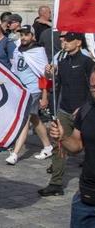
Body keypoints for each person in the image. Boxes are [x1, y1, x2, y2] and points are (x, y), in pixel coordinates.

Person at [39, 31, 94, 198]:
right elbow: (57, 84)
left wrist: (84, 107)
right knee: (59, 144)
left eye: (69, 40)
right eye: (63, 40)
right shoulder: (62, 61)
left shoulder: (86, 62)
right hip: (64, 109)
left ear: (78, 42)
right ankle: (56, 183)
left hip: (82, 111)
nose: (65, 43)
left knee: (85, 145)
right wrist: (50, 74)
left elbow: (91, 87)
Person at [49, 67, 95, 227]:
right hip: (86, 197)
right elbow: (76, 145)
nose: (93, 92)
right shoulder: (87, 109)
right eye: (92, 87)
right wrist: (63, 137)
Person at [6, 25, 52, 165]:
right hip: (21, 89)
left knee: (24, 119)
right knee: (34, 118)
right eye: (22, 35)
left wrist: (45, 95)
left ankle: (15, 153)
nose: (24, 37)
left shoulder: (38, 51)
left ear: (32, 36)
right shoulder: (18, 50)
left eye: (26, 34)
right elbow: (15, 69)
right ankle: (48, 146)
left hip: (33, 89)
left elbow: (44, 74)